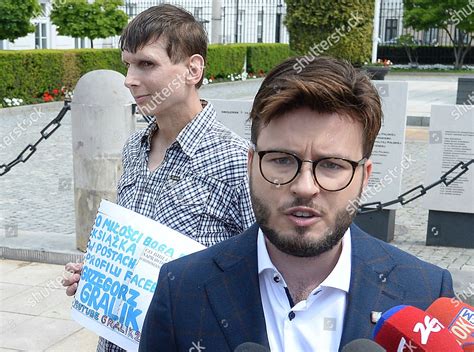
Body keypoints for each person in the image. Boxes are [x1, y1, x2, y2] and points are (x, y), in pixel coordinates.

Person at [139, 56, 454, 351]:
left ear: (364, 176)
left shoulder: (425, 294)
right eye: (281, 160)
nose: (305, 187)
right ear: (250, 164)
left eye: (331, 165)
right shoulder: (181, 288)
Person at [61, 4, 255, 352]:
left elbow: (262, 274)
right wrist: (99, 274)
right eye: (128, 64)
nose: (129, 79)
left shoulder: (237, 160)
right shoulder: (134, 147)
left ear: (193, 69)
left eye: (146, 64)